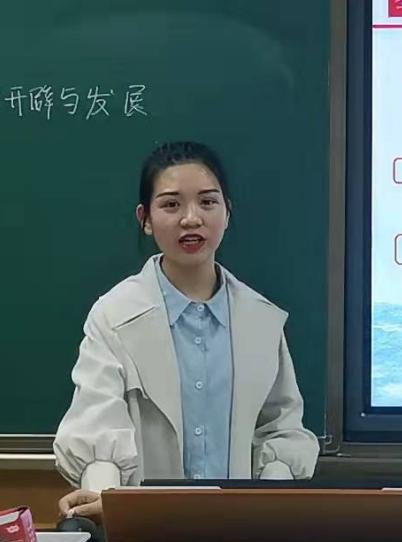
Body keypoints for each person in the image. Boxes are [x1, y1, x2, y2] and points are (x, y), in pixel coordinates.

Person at [54, 141, 319, 519]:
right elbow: (97, 426)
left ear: (227, 212)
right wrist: (102, 499)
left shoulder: (260, 319)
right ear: (145, 218)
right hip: (142, 532)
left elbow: (280, 428)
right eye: (171, 204)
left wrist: (272, 497)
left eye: (208, 202)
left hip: (240, 531)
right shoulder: (114, 316)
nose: (191, 219)